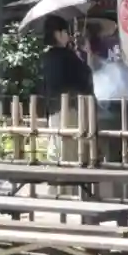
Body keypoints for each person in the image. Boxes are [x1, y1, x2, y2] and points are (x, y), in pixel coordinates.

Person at [40, 15, 94, 163]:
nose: (69, 36)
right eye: (66, 32)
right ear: (58, 34)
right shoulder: (68, 56)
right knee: (70, 155)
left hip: (53, 110)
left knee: (57, 152)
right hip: (70, 110)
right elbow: (86, 79)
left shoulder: (46, 57)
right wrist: (87, 54)